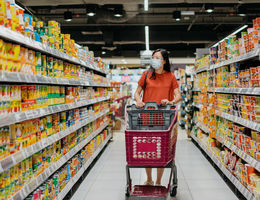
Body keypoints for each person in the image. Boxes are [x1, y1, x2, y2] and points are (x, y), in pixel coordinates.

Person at [134, 49, 181, 186]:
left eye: (157, 57)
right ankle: (149, 179)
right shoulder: (146, 74)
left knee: (161, 151)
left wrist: (171, 101)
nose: (154, 59)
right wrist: (138, 101)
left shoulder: (171, 76)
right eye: (153, 57)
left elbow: (178, 96)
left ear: (164, 61)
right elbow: (137, 93)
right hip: (146, 117)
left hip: (164, 118)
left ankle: (159, 181)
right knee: (147, 149)